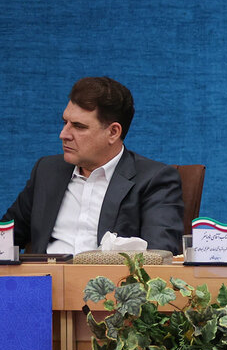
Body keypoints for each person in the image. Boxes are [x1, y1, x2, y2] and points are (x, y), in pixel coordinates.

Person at [2, 76, 184, 254]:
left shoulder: (154, 180)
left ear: (113, 132)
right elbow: (5, 239)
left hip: (110, 275)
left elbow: (158, 256)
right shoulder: (47, 170)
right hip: (46, 274)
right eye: (65, 122)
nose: (63, 134)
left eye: (78, 126)